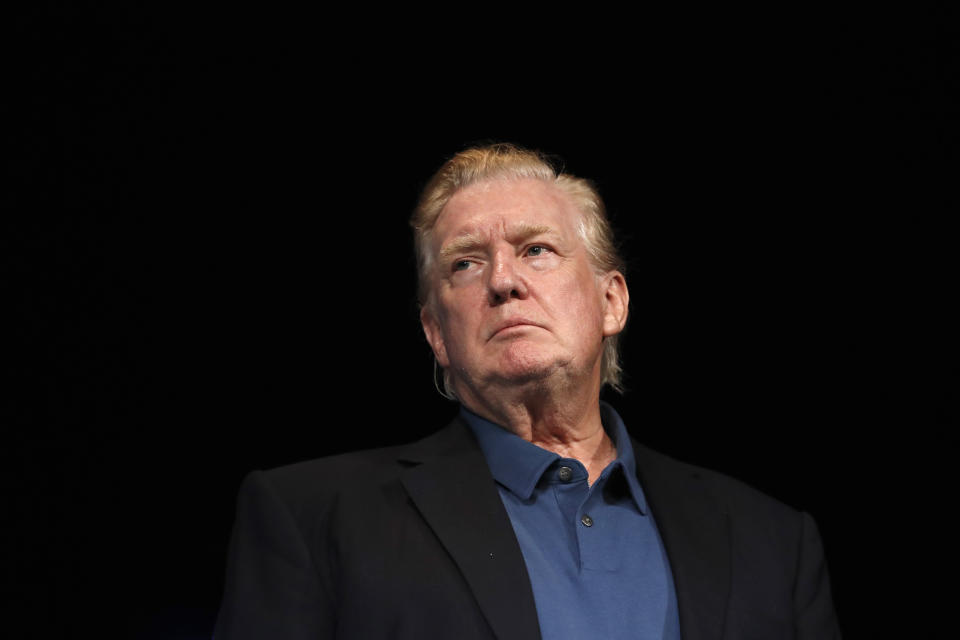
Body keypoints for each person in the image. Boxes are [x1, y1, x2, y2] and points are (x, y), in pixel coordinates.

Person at [214, 144, 842, 639]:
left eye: (537, 249)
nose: (503, 281)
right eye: (465, 263)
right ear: (436, 332)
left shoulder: (771, 540)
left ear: (610, 300)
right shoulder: (314, 517)